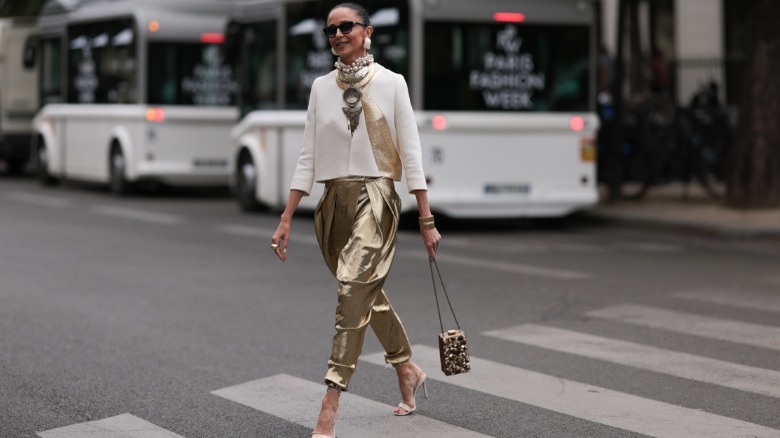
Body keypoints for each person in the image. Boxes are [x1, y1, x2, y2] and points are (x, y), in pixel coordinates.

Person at [270, 3, 441, 437]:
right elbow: (307, 156)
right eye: (331, 30)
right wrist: (287, 217)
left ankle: (329, 404)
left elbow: (412, 152)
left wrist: (425, 218)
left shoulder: (392, 83)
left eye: (346, 26)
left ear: (367, 32)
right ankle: (407, 370)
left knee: (350, 292)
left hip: (377, 198)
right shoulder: (320, 87)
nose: (338, 34)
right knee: (362, 293)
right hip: (332, 206)